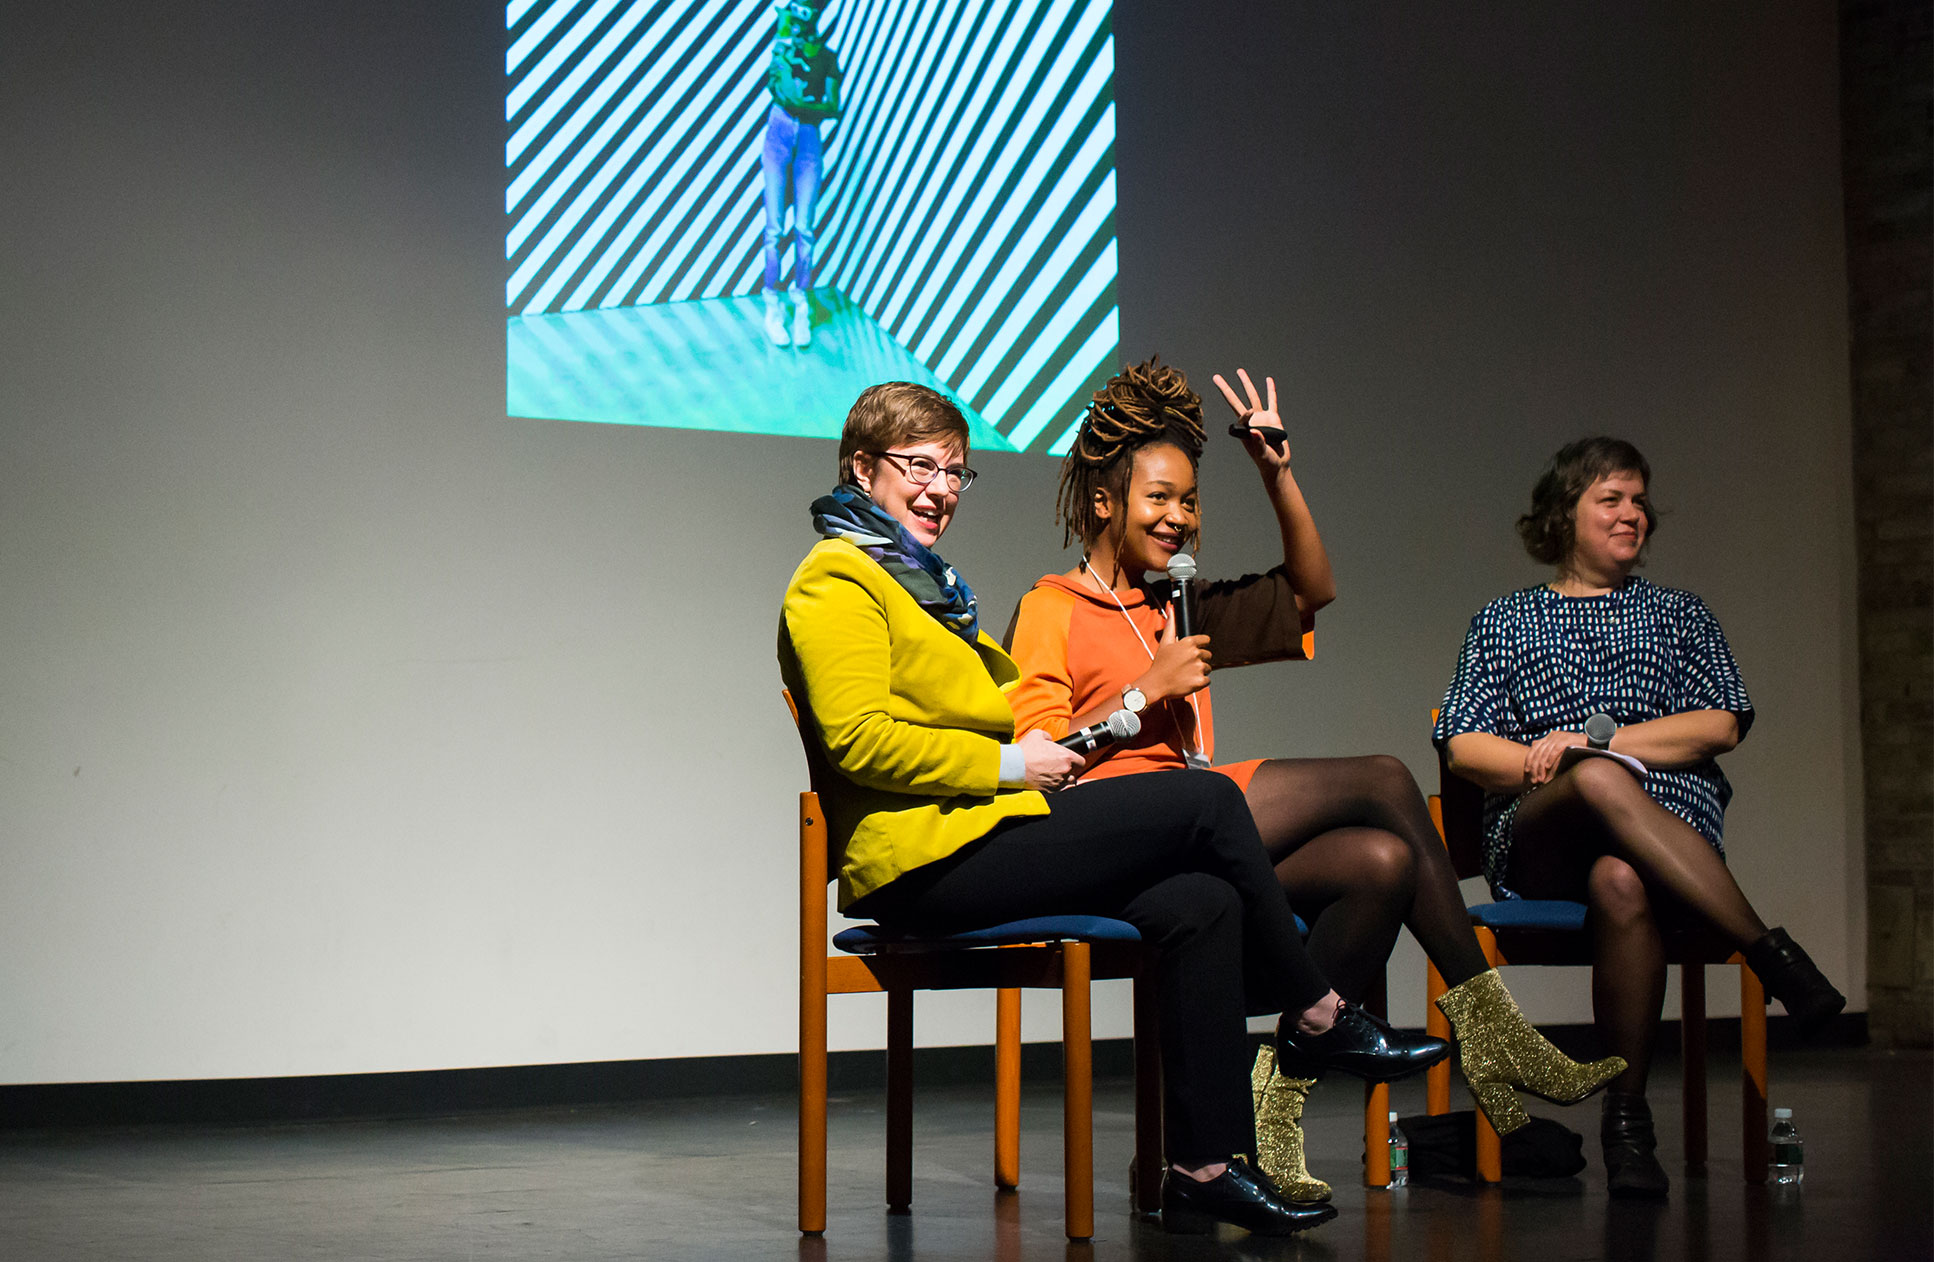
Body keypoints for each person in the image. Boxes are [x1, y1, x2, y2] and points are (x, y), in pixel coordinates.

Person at [779, 382, 1450, 1237]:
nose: (941, 487)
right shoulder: (834, 579)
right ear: (861, 469)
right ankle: (1319, 1011)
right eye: (920, 467)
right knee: (1205, 802)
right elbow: (859, 743)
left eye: (955, 471)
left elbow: (1308, 590)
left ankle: (1202, 1166)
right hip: (923, 863)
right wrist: (1013, 761)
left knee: (1199, 904)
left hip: (980, 833)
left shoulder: (924, 586)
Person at [1004, 360, 1624, 1201]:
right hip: (1124, 834)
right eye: (1158, 498)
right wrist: (1142, 693)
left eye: (1189, 500)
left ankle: (1286, 1074)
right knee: (1381, 777)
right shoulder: (1052, 608)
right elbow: (1040, 757)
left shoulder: (1175, 605)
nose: (1178, 518)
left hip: (1204, 828)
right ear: (1105, 501)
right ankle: (1489, 1032)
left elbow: (1312, 589)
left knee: (1382, 863)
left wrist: (1277, 474)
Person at [1433, 436, 1845, 1199]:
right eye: (1612, 500)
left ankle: (1626, 1125)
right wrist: (1556, 761)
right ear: (1565, 515)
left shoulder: (1681, 614)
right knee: (1594, 781)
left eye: (1639, 500)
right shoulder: (1504, 620)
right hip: (1541, 830)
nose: (1634, 515)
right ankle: (1770, 952)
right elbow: (1462, 745)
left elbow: (1720, 724)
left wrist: (1600, 741)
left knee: (1621, 880)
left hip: (1662, 831)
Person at [761, 0, 841, 349]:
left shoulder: (827, 57)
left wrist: (802, 104)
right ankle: (773, 305)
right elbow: (778, 91)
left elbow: (833, 107)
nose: (802, 16)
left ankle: (801, 304)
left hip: (808, 137)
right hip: (779, 134)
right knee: (775, 226)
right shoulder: (782, 47)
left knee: (804, 228)